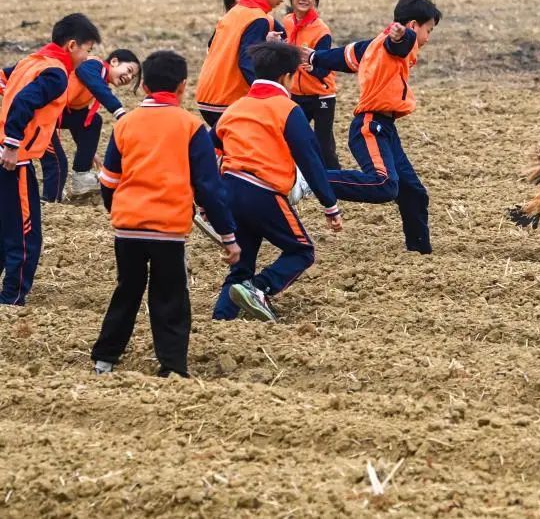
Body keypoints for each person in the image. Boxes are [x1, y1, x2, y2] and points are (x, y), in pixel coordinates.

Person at [93, 51, 239, 377]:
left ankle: (104, 361)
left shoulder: (125, 123)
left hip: (128, 228)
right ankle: (172, 367)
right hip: (168, 230)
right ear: (183, 87)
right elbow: (208, 189)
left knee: (126, 291)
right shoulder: (190, 127)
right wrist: (228, 236)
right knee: (170, 297)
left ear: (143, 85)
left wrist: (115, 209)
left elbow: (109, 182)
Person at [211, 42, 342, 323]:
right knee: (302, 250)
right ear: (286, 77)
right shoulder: (287, 109)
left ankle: (221, 321)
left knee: (241, 264)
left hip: (229, 190)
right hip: (262, 192)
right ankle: (259, 289)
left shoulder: (235, 108)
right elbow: (310, 159)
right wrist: (330, 205)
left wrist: (204, 195)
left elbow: (210, 147)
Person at [303, 0, 441, 255]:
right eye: (428, 30)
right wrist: (401, 36)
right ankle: (308, 180)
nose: (428, 38)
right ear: (413, 25)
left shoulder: (374, 45)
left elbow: (344, 56)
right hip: (370, 126)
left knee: (413, 192)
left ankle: (420, 254)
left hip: (386, 129)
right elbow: (399, 43)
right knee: (383, 185)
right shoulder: (397, 41)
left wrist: (314, 58)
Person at [0, 13, 101, 305]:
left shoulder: (31, 61)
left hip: (11, 157)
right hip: (13, 161)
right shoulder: (56, 73)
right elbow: (24, 102)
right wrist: (12, 142)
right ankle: (12, 298)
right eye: (88, 50)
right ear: (71, 45)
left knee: (6, 228)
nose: (88, 57)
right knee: (25, 235)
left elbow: (7, 82)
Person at [196, 0, 293, 127]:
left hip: (207, 96)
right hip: (228, 101)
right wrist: (267, 95)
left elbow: (213, 45)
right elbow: (247, 62)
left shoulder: (235, 11)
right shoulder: (258, 18)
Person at [39, 49, 139, 201]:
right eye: (129, 70)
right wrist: (120, 113)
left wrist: (88, 152)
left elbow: (78, 118)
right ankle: (49, 202)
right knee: (58, 164)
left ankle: (82, 177)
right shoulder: (92, 65)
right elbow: (91, 80)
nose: (129, 77)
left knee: (93, 121)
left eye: (133, 77)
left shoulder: (96, 81)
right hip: (38, 115)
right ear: (114, 61)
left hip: (55, 114)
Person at [283, 0, 340, 169]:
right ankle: (297, 177)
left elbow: (325, 68)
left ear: (315, 0)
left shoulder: (321, 30)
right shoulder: (287, 22)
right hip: (296, 94)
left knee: (324, 143)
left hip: (321, 94)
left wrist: (313, 68)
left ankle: (335, 181)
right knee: (292, 137)